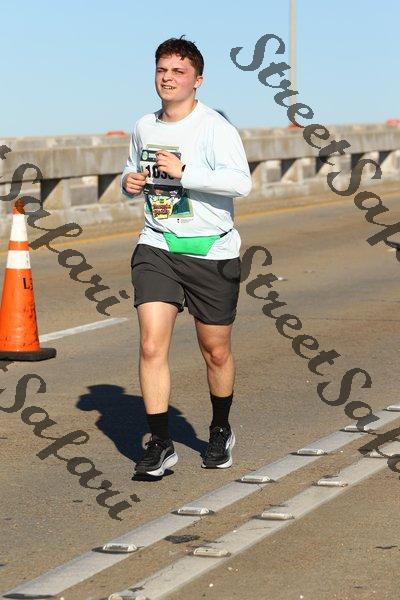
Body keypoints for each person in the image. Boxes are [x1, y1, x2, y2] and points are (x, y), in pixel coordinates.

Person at [121, 35, 252, 478]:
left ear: (198, 80)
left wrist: (186, 173)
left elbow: (240, 183)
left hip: (211, 250)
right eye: (162, 70)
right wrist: (129, 182)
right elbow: (132, 169)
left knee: (215, 351)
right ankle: (160, 443)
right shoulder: (144, 126)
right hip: (157, 244)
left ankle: (219, 429)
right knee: (150, 344)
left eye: (178, 71)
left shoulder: (215, 128)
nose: (168, 78)